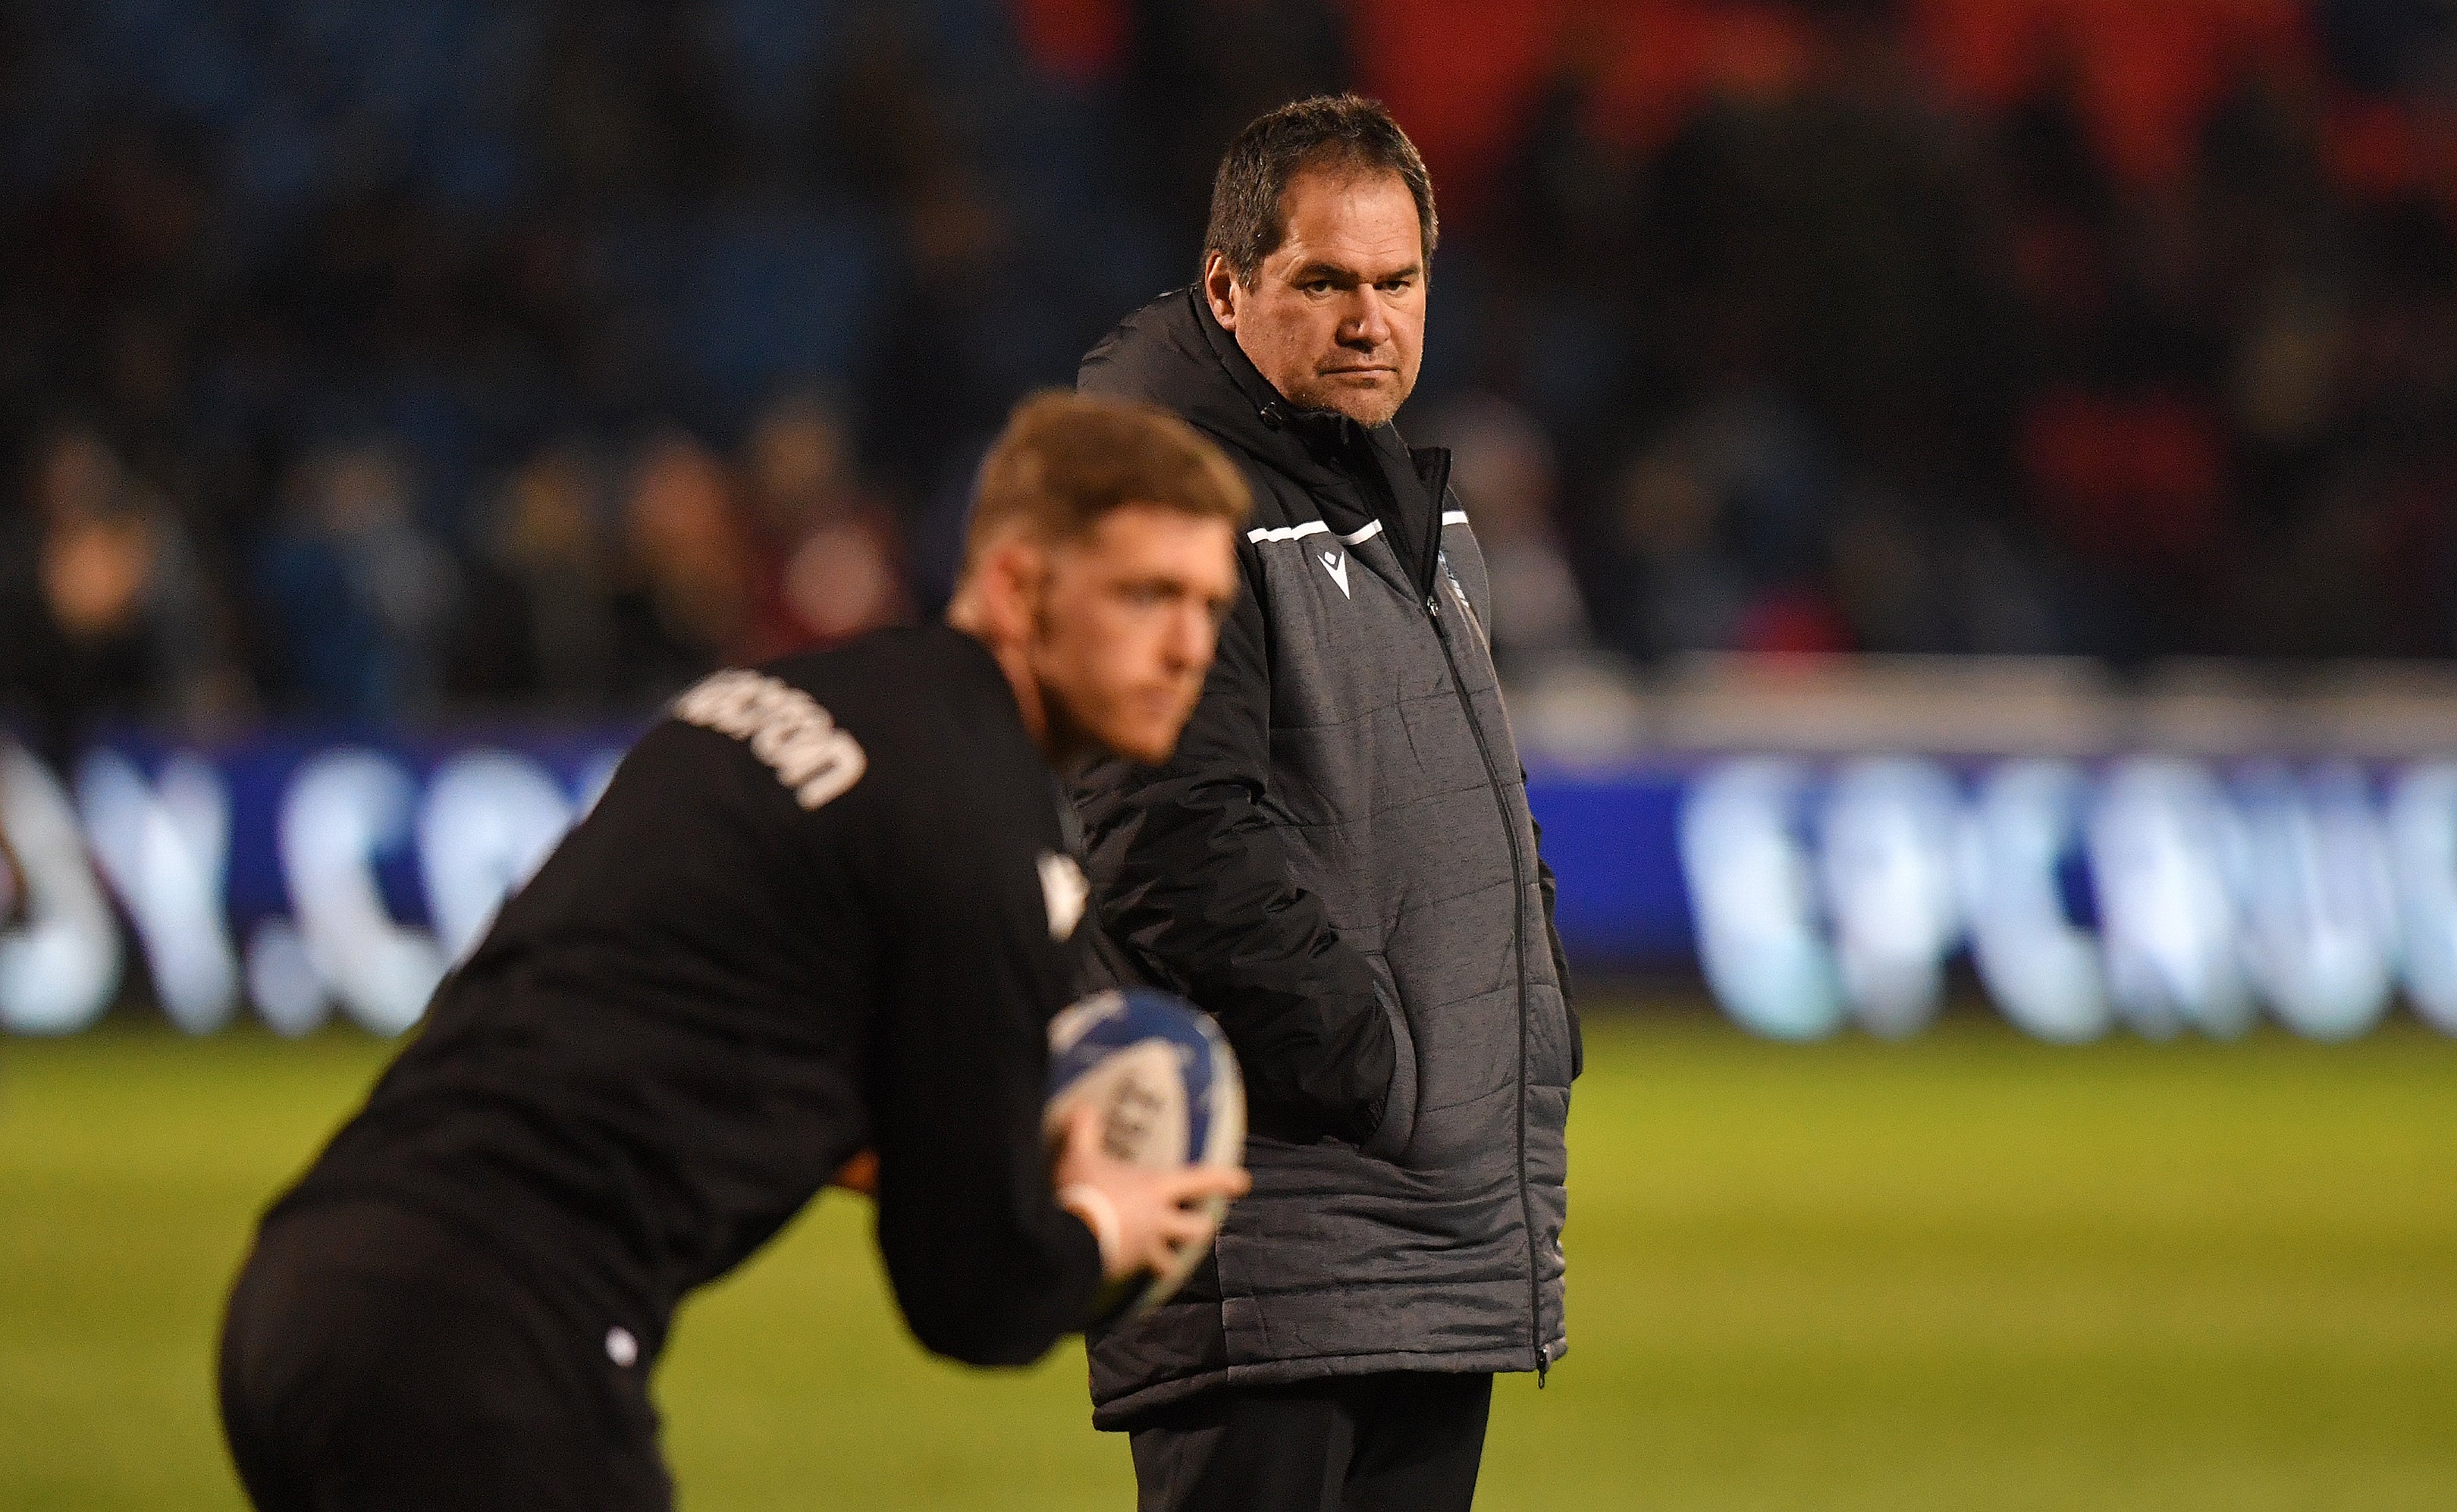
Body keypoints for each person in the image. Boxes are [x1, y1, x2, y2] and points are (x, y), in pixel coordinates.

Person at [216, 393, 1255, 1512]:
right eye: (1146, 594)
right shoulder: (981, 828)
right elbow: (974, 1295)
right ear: (1014, 582)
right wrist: (1102, 1224)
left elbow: (672, 1016)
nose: (1189, 644)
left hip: (306, 1287)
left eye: (1208, 604)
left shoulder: (771, 699)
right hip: (489, 1346)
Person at [1072, 95, 1578, 1511]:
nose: (1371, 320)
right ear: (1229, 287)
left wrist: (1525, 1006)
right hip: (1277, 1239)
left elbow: (1468, 789)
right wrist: (1377, 1061)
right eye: (1327, 283)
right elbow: (1168, 842)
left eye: (1398, 282)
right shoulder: (1167, 508)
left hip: (1427, 1224)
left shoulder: (1396, 496)